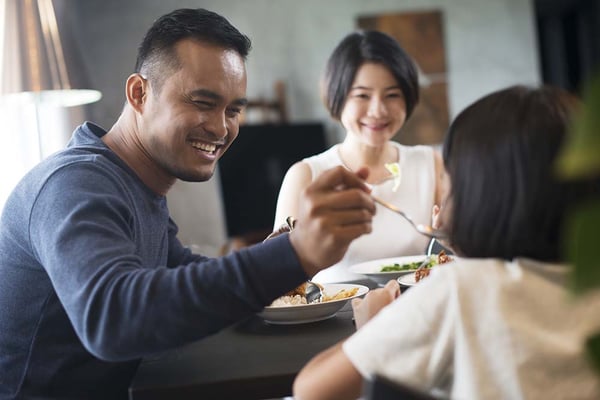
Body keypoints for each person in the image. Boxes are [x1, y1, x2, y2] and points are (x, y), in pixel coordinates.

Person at [0, 8, 376, 400]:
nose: (221, 127)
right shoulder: (75, 185)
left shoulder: (135, 185)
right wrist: (292, 254)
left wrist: (277, 259)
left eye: (233, 110)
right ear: (139, 93)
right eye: (202, 102)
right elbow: (112, 319)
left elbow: (179, 270)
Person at [293, 85, 600, 399]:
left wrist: (372, 326)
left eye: (449, 180)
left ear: (481, 197)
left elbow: (312, 389)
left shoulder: (462, 290)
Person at [273, 30, 442, 283]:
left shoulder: (430, 163)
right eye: (362, 95)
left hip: (417, 314)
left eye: (392, 95)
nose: (378, 110)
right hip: (333, 320)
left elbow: (451, 254)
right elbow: (279, 275)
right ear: (337, 97)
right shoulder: (306, 175)